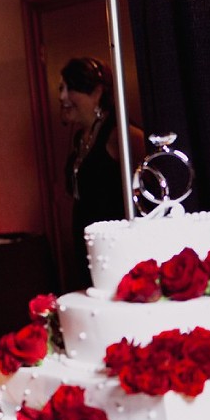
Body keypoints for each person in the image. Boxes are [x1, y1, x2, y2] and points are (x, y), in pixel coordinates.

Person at [60, 57, 145, 288]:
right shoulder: (80, 138)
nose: (63, 97)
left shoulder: (119, 134)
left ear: (97, 92)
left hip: (115, 247)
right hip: (89, 245)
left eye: (71, 88)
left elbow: (148, 186)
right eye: (61, 89)